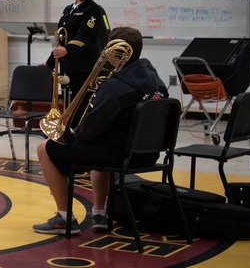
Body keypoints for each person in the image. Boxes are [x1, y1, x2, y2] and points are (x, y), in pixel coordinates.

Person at [33, 26, 168, 235]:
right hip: (147, 155)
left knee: (45, 148)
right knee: (102, 143)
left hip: (118, 156)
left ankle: (63, 217)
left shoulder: (115, 86)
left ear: (114, 52)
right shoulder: (157, 83)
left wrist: (74, 129)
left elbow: (87, 133)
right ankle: (99, 213)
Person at [44, 0, 110, 103]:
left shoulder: (92, 9)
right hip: (67, 65)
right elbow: (61, 38)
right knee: (67, 103)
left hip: (83, 66)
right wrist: (49, 63)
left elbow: (85, 36)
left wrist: (67, 49)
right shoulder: (68, 9)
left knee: (79, 104)